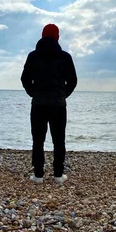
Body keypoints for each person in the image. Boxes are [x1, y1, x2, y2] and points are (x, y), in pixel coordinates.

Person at [21, 24, 77, 184]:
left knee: (38, 139)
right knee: (59, 140)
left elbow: (25, 79)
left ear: (42, 36)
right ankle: (58, 175)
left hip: (38, 103)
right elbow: (73, 80)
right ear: (57, 37)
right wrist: (63, 94)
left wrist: (33, 92)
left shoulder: (33, 56)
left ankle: (38, 175)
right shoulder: (65, 57)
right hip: (58, 104)